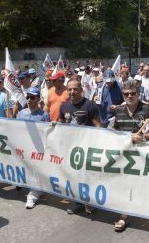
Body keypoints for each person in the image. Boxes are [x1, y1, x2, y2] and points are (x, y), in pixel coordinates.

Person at [113, 79, 149, 231]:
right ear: (123, 94)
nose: (129, 96)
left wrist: (144, 137)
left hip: (143, 153)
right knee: (125, 183)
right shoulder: (118, 111)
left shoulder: (148, 109)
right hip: (126, 154)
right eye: (126, 93)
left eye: (132, 93)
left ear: (138, 93)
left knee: (144, 183)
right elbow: (115, 131)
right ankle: (124, 215)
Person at [60, 79, 102, 214]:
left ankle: (90, 201)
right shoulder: (64, 106)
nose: (72, 92)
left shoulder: (90, 105)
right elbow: (61, 125)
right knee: (74, 176)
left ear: (81, 90)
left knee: (88, 176)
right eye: (70, 89)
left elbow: (98, 126)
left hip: (87, 148)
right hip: (71, 149)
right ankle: (77, 202)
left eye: (75, 89)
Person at [16, 87, 50, 209]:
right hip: (24, 147)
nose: (29, 100)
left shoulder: (44, 115)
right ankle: (35, 189)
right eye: (28, 97)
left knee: (36, 170)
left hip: (38, 148)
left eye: (32, 97)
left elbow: (47, 133)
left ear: (38, 99)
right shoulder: (21, 113)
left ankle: (33, 195)